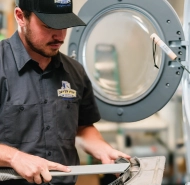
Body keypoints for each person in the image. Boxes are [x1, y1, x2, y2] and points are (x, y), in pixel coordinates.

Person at [0, 0, 130, 184]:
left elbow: (82, 127)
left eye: (64, 26)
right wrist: (14, 158)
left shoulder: (75, 72)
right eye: (49, 26)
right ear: (21, 17)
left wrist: (103, 149)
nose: (59, 36)